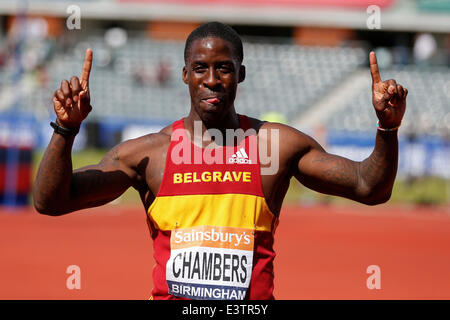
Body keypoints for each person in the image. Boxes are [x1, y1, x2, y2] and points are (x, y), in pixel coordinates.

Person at [33, 22, 408, 300]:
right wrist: (65, 130)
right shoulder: (149, 154)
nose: (212, 80)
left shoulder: (275, 146)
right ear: (185, 75)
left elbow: (369, 187)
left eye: (224, 68)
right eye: (200, 68)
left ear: (240, 74)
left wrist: (386, 129)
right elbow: (51, 200)